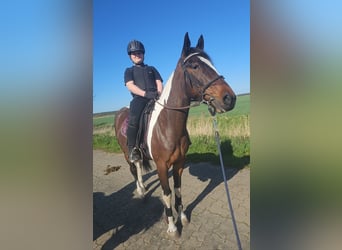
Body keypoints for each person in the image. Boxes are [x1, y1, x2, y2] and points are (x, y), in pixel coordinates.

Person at [124, 40, 163, 162]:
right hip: (140, 98)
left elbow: (159, 83)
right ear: (130, 56)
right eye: (133, 53)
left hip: (156, 96)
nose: (137, 55)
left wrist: (159, 94)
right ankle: (132, 148)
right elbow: (130, 86)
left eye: (139, 52)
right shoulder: (129, 71)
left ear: (143, 53)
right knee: (134, 119)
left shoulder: (152, 69)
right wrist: (145, 94)